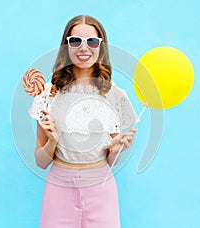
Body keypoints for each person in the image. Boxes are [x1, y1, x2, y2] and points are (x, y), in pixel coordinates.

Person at [28, 15, 137, 228]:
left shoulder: (113, 94)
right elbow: (41, 162)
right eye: (75, 41)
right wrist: (52, 141)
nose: (83, 48)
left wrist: (117, 149)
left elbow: (110, 159)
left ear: (101, 47)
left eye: (92, 41)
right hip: (58, 187)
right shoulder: (49, 95)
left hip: (100, 187)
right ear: (66, 47)